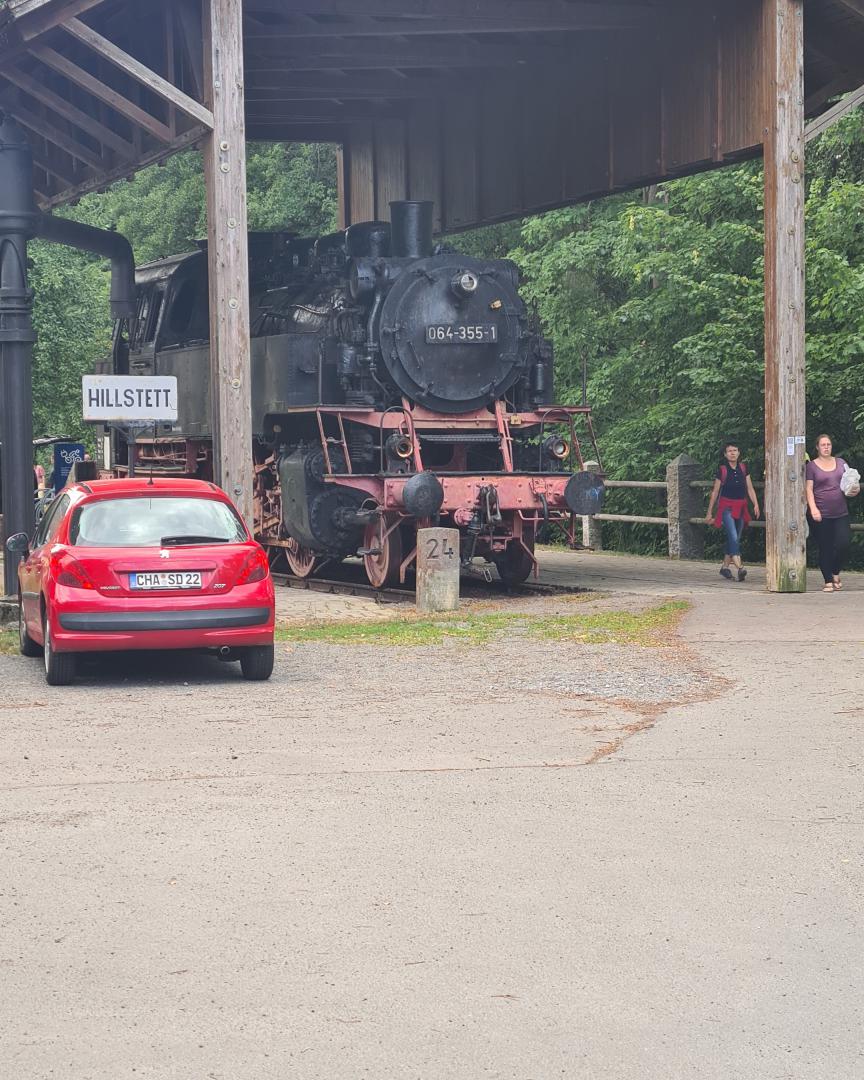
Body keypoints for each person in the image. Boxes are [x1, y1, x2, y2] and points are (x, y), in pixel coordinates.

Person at [806, 434, 858, 593]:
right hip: (821, 513)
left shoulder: (841, 463)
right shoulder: (812, 466)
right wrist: (813, 508)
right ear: (817, 447)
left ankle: (835, 571)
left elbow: (849, 484)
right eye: (823, 445)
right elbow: (808, 489)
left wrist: (854, 490)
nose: (826, 447)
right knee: (826, 547)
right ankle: (828, 580)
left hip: (840, 512)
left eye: (828, 444)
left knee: (844, 544)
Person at [705, 442, 761, 581]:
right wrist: (709, 512)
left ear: (739, 453)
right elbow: (715, 491)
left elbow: (750, 488)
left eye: (735, 450)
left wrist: (756, 504)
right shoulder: (722, 470)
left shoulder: (743, 468)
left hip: (741, 506)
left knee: (735, 538)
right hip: (726, 507)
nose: (732, 453)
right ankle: (740, 567)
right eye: (729, 451)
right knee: (733, 536)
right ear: (725, 454)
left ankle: (725, 568)